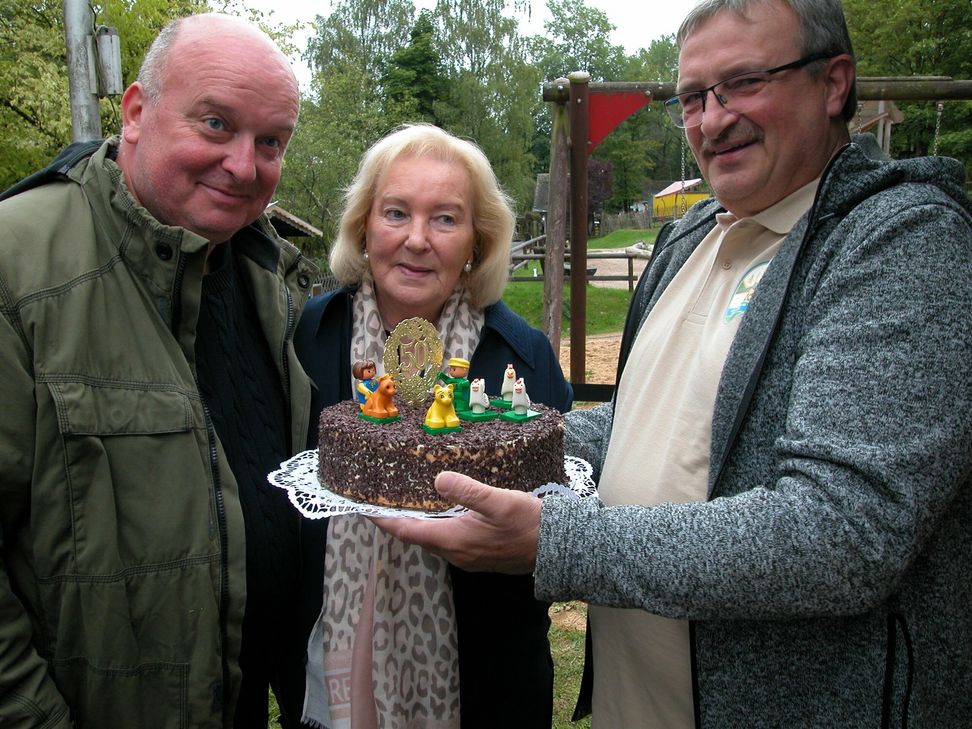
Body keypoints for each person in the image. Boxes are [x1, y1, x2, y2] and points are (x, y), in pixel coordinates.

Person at [374, 1, 972, 727]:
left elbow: (840, 531)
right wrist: (482, 440)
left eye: (745, 81)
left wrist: (557, 541)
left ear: (834, 83)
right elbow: (643, 425)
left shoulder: (901, 241)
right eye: (692, 97)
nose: (713, 120)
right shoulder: (689, 235)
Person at [0, 14, 320, 728]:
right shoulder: (18, 268)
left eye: (271, 142)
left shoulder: (270, 280)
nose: (244, 164)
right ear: (138, 112)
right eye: (215, 123)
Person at [293, 122, 572, 729]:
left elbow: (559, 509)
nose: (417, 240)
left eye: (445, 219)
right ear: (365, 226)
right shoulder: (311, 339)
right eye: (396, 212)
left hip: (488, 679)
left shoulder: (519, 356)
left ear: (477, 240)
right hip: (336, 653)